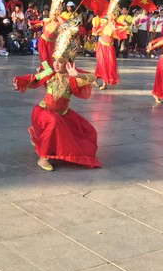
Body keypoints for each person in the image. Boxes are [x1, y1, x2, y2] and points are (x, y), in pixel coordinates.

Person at [13, 20, 100, 171]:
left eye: (61, 62)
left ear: (68, 63)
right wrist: (21, 83)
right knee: (53, 121)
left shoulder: (73, 78)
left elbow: (93, 78)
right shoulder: (50, 73)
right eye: (55, 60)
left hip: (63, 114)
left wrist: (77, 74)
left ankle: (41, 141)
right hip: (43, 111)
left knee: (87, 131)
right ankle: (43, 157)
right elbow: (34, 80)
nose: (56, 64)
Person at [93, 0, 127, 90]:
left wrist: (118, 27)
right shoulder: (104, 23)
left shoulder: (115, 25)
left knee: (109, 65)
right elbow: (97, 30)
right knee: (102, 63)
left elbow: (122, 32)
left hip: (109, 47)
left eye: (113, 14)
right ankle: (104, 83)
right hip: (101, 45)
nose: (111, 16)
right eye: (110, 14)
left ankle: (96, 78)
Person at [30, 0, 64, 66]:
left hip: (52, 42)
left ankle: (50, 70)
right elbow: (38, 23)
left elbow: (65, 25)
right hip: (43, 41)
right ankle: (45, 69)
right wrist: (32, 26)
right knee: (44, 57)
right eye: (53, 14)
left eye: (56, 15)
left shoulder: (60, 23)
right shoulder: (48, 20)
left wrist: (60, 18)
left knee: (51, 58)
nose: (54, 16)